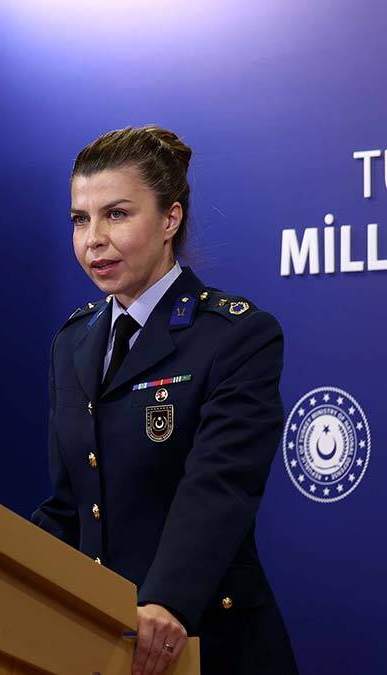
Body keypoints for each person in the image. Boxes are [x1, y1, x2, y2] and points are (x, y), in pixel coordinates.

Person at [32, 126, 297, 675]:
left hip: (207, 640)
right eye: (80, 219)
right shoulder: (72, 342)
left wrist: (166, 600)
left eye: (117, 214)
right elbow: (70, 508)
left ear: (170, 219)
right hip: (100, 643)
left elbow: (218, 487)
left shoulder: (234, 336)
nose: (93, 240)